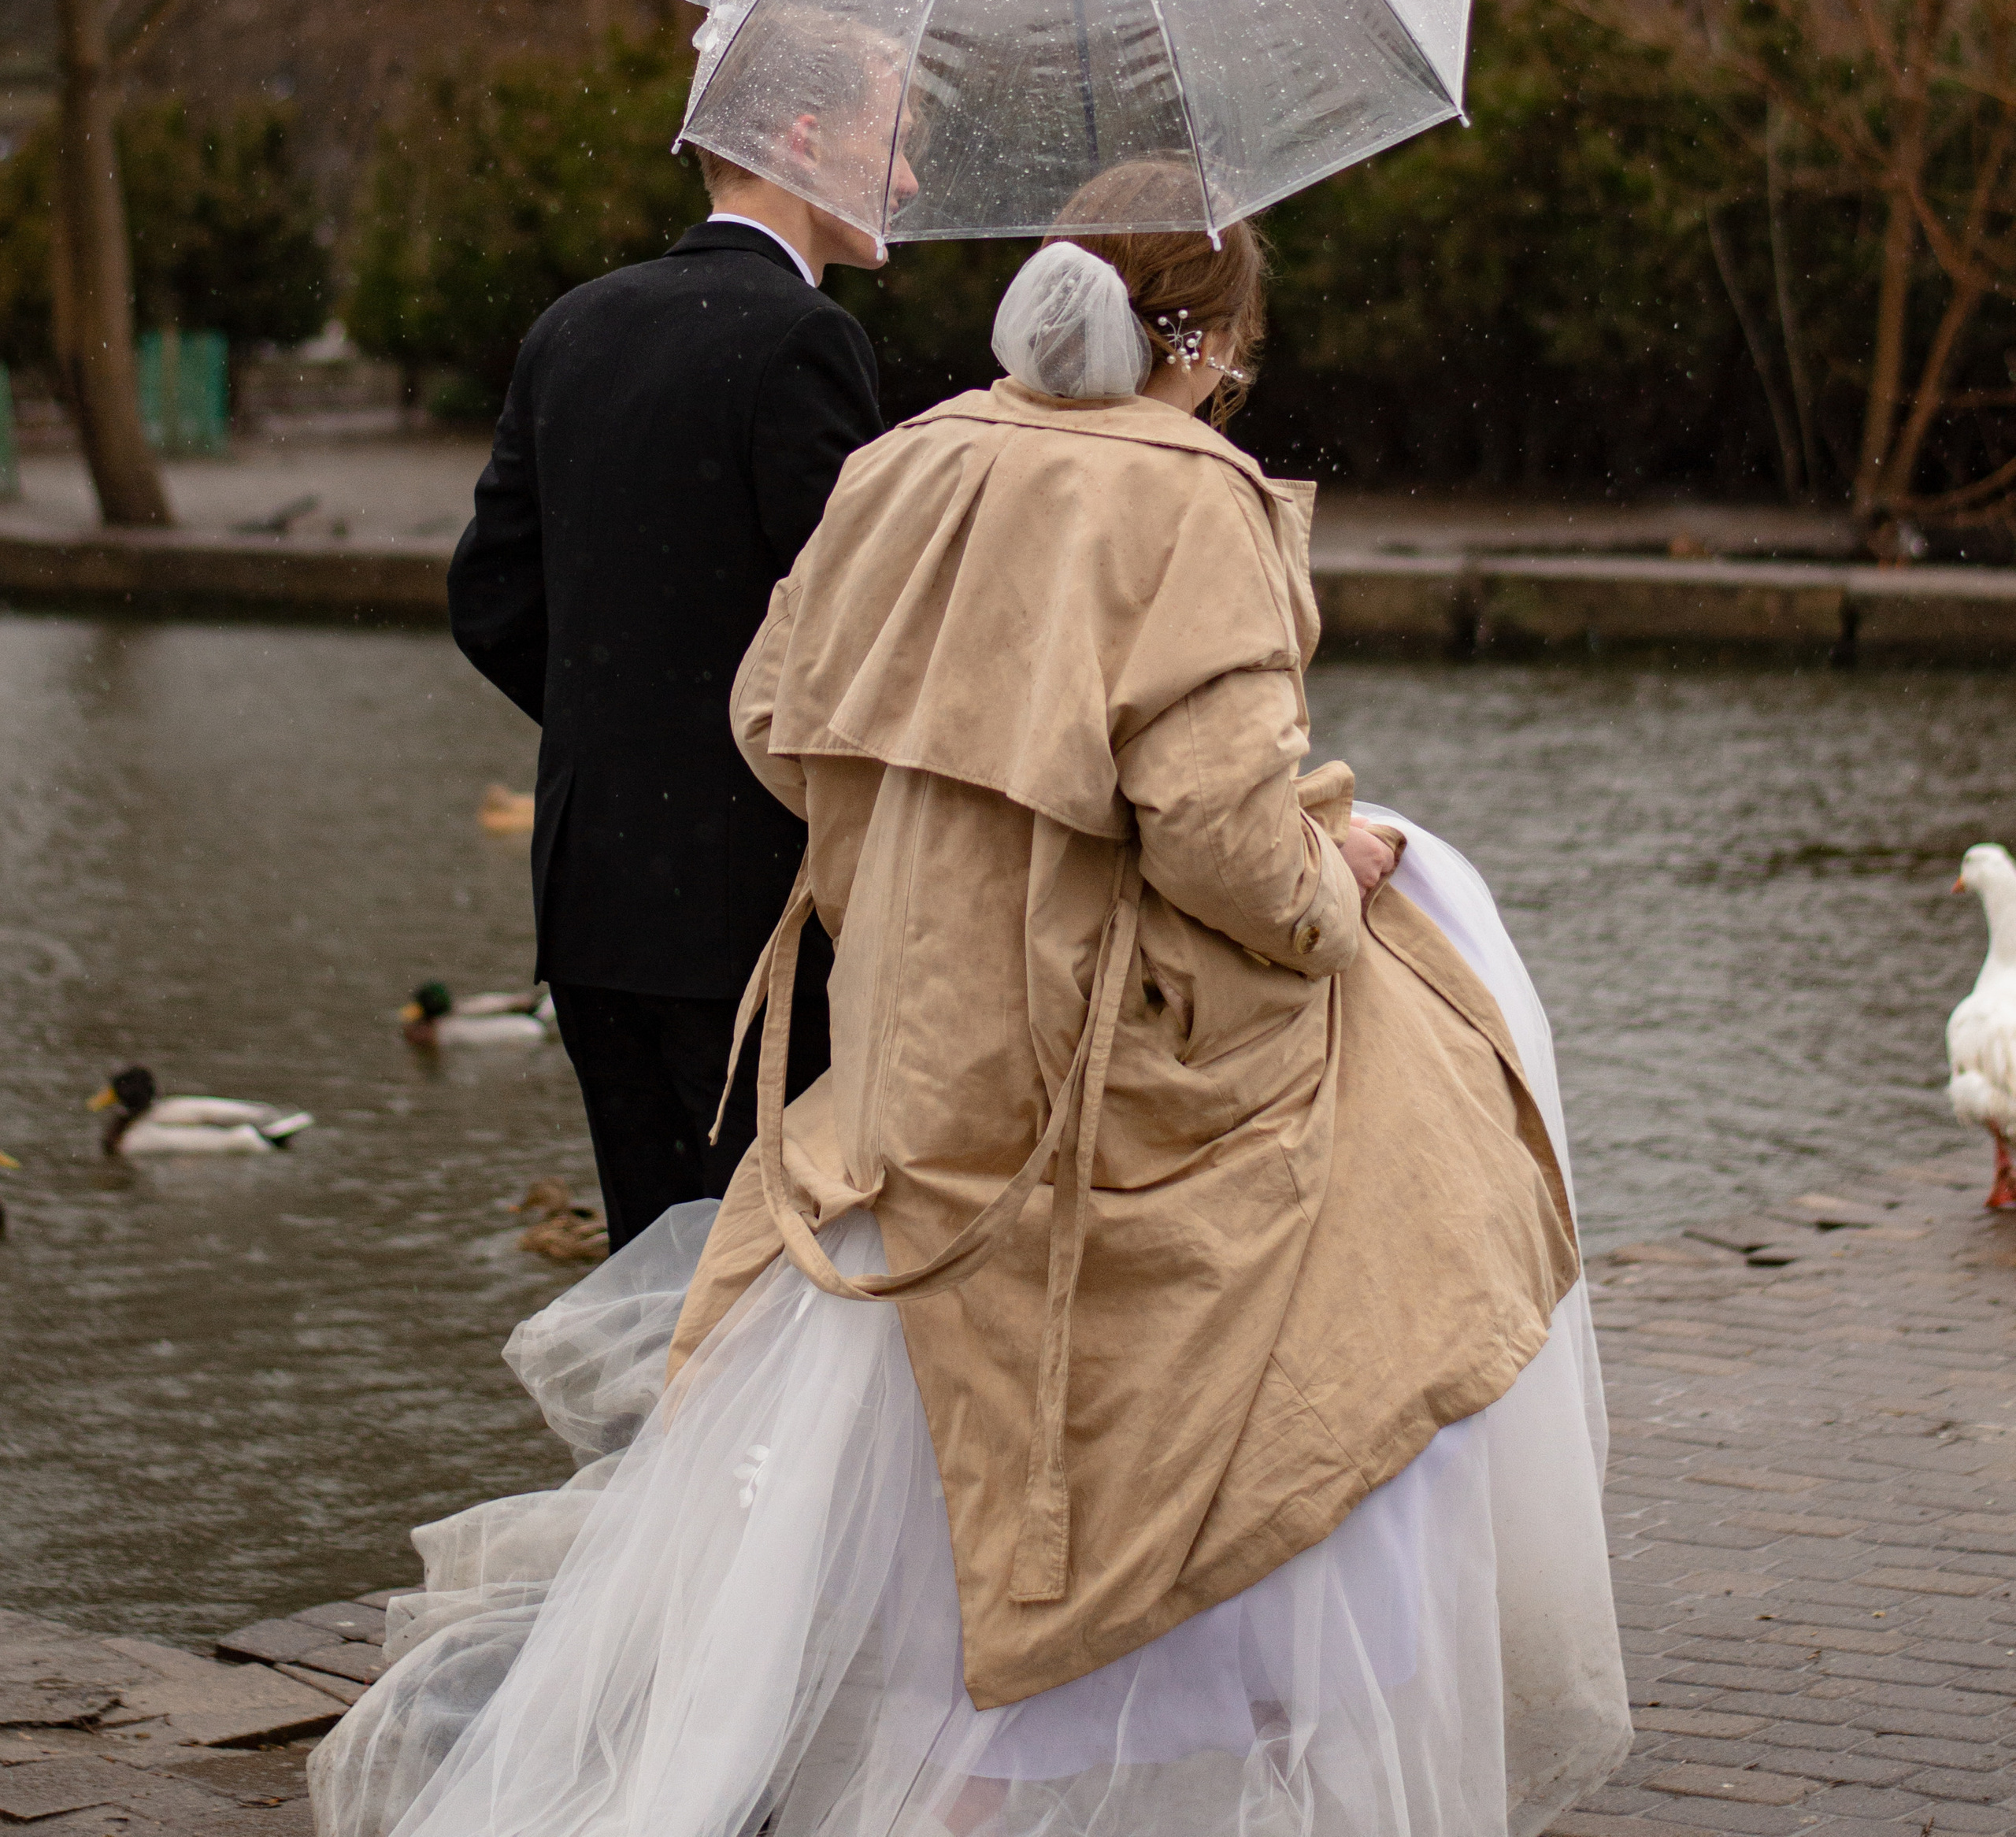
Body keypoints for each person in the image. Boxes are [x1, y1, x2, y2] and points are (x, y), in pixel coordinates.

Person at [323, 175, 1629, 1837]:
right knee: (1365, 1290)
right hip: (1092, 1043)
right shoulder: (1191, 497)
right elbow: (1220, 832)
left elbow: (772, 710)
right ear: (1214, 340)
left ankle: (927, 1769)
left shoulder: (905, 458)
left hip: (902, 1053)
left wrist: (923, 843)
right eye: (1236, 346)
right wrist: (1338, 885)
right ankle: (1145, 1748)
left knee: (917, 1457)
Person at [444, 10, 911, 1249]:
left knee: (658, 1278)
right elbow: (859, 627)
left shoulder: (573, 325)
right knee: (768, 1297)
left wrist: (633, 731)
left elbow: (489, 598)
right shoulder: (807, 339)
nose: (908, 177)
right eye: (893, 136)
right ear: (806, 137)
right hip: (750, 908)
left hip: (595, 898)